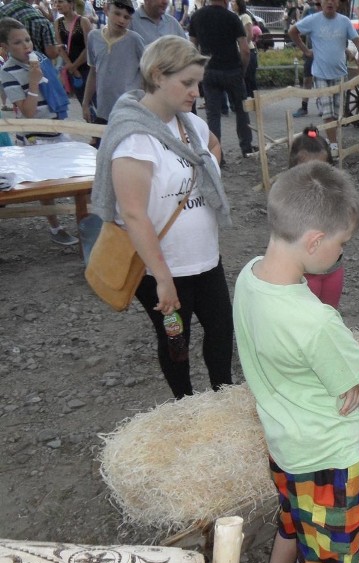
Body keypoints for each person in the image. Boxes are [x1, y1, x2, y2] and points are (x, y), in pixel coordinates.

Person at [234, 161, 359, 563]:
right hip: (328, 458)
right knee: (322, 551)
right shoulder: (316, 321)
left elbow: (288, 360)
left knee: (293, 520)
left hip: (286, 446)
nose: (342, 254)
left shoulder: (248, 277)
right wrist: (355, 378)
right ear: (316, 240)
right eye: (342, 244)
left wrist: (335, 377)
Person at [90, 35, 234, 399]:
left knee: (221, 333)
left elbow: (213, 146)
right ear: (157, 75)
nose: (196, 92)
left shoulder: (191, 126)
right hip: (163, 270)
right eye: (187, 83)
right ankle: (184, 407)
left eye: (198, 83)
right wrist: (164, 280)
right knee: (176, 341)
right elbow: (134, 214)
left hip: (205, 260)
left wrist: (210, 166)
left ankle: (224, 399)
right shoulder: (134, 138)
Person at [0, 16, 77, 246]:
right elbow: (28, 113)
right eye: (17, 43)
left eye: (27, 40)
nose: (26, 46)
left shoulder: (40, 60)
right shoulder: (7, 72)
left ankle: (86, 218)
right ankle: (55, 226)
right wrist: (33, 83)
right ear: (4, 48)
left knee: (75, 175)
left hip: (57, 128)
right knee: (45, 185)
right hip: (35, 137)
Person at [288, 0, 359, 159]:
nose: (330, 2)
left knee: (337, 113)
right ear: (321, 3)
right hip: (320, 73)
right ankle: (334, 146)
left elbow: (358, 42)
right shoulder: (313, 20)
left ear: (337, 3)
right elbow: (292, 31)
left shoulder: (344, 22)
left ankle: (332, 142)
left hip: (340, 74)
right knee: (328, 112)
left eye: (333, 0)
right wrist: (306, 50)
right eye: (326, 0)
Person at [189, 0, 258, 161]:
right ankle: (246, 148)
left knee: (213, 115)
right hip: (232, 70)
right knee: (242, 110)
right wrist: (243, 71)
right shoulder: (232, 18)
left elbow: (191, 48)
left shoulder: (197, 17)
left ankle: (216, 154)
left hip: (209, 71)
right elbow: (245, 50)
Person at [289, 125, 346, 308]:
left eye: (320, 168)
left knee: (330, 313)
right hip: (303, 273)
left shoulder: (337, 191)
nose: (313, 175)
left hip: (333, 269)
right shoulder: (287, 197)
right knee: (305, 316)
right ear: (293, 167)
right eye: (306, 169)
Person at [82, 0, 145, 126]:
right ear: (106, 10)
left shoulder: (135, 40)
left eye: (126, 17)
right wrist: (85, 103)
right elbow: (93, 72)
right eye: (117, 14)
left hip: (129, 110)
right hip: (103, 110)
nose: (121, 20)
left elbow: (147, 72)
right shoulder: (93, 37)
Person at [53, 0, 92, 108]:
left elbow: (89, 48)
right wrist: (72, 68)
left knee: (92, 100)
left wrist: (74, 66)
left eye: (61, 2)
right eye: (56, 2)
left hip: (86, 67)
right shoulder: (58, 22)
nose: (57, 5)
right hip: (71, 68)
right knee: (82, 100)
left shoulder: (83, 21)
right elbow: (60, 47)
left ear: (71, 4)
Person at [291, 0, 317, 118]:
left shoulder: (332, 10)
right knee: (307, 79)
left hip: (324, 53)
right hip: (311, 52)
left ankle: (323, 107)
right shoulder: (309, 11)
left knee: (324, 79)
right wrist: (305, 50)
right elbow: (299, 27)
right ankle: (304, 106)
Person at [231, 0, 257, 97]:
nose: (232, 4)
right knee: (244, 79)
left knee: (249, 78)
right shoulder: (236, 17)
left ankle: (254, 100)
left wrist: (243, 45)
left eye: (234, 2)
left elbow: (249, 33)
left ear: (239, 5)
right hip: (239, 50)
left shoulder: (245, 17)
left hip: (248, 50)